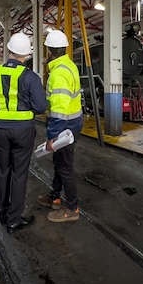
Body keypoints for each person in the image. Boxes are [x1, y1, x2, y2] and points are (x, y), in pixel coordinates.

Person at [0, 32, 48, 234]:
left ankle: (2, 213)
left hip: (0, 129)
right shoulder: (29, 77)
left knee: (3, 169)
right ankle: (14, 219)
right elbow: (41, 106)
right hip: (23, 131)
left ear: (9, 51)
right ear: (26, 56)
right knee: (19, 173)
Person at [37, 29, 83, 223]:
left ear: (49, 51)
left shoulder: (59, 74)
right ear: (64, 49)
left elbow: (59, 110)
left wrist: (52, 136)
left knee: (65, 167)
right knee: (59, 163)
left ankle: (72, 207)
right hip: (72, 122)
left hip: (65, 127)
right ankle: (55, 196)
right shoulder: (69, 65)